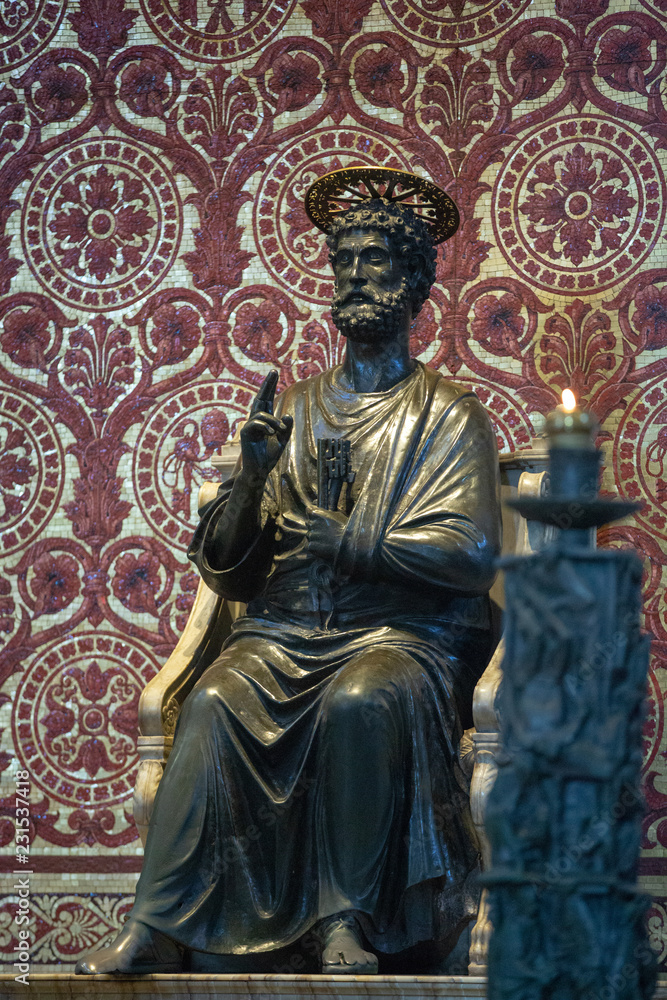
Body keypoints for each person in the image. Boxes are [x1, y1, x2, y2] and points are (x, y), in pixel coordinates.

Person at [75, 188, 502, 977]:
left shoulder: (449, 416)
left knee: (358, 701)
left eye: (373, 261)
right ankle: (159, 922)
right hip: (283, 632)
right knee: (208, 702)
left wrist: (355, 542)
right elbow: (230, 564)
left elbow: (470, 555)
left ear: (413, 284)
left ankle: (350, 918)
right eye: (342, 262)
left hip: (398, 638)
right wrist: (251, 477)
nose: (353, 277)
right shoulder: (294, 411)